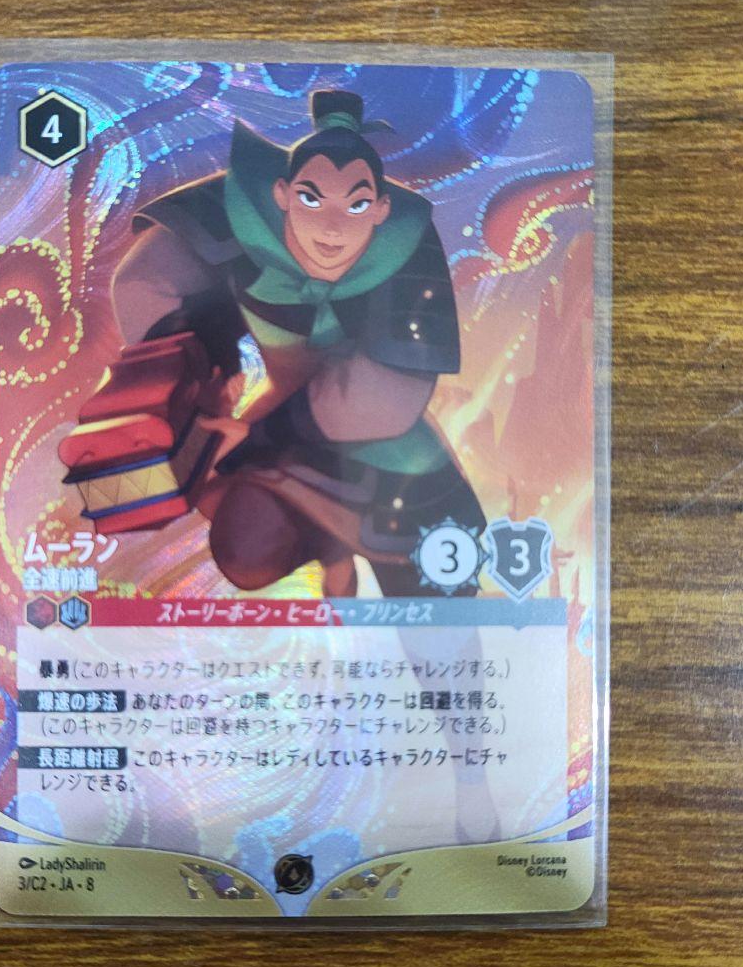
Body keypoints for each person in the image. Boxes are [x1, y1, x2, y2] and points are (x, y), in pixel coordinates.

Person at [110, 89, 486, 597]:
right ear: (283, 194)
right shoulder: (243, 212)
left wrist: (253, 436)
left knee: (437, 597)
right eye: (312, 199)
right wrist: (190, 384)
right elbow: (145, 281)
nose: (331, 227)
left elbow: (381, 401)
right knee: (246, 546)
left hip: (386, 456)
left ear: (381, 209)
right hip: (279, 440)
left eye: (356, 205)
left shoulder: (406, 241)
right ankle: (332, 557)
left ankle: (365, 569)